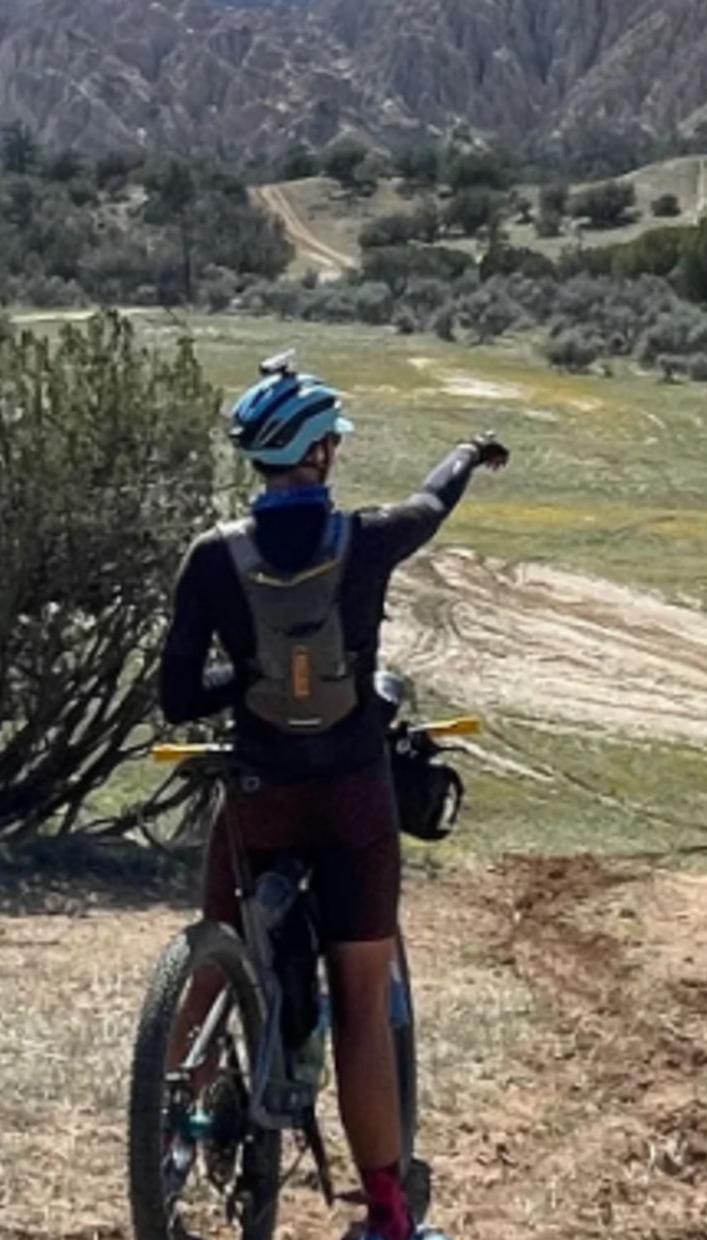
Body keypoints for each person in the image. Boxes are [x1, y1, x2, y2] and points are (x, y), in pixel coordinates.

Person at [154, 351, 506, 1240]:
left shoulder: (213, 559)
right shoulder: (370, 539)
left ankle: (165, 1124)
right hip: (353, 799)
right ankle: (386, 1215)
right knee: (358, 993)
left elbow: (179, 697)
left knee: (219, 947)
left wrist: (258, 675)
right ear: (318, 455)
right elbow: (435, 503)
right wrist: (469, 450)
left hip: (260, 794)